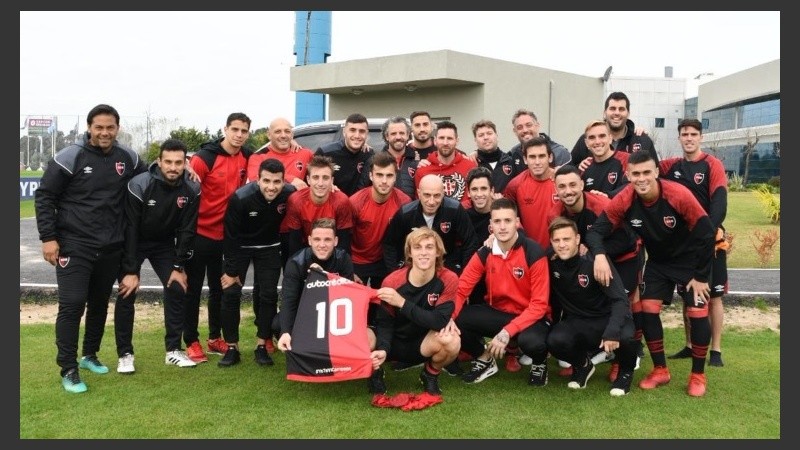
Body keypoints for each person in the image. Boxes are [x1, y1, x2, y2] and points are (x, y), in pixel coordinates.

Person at [35, 103, 147, 393]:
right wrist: (48, 238)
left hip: (111, 247)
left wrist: (187, 172)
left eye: (110, 127)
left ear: (117, 128)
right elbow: (45, 196)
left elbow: (152, 178)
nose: (105, 132)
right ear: (89, 128)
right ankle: (68, 368)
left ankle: (89, 356)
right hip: (75, 246)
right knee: (72, 306)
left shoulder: (129, 158)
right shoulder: (70, 156)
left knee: (98, 305)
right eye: (99, 127)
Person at [585, 150, 715, 397]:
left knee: (697, 312)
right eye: (636, 174)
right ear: (628, 175)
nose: (641, 178)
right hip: (659, 262)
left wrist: (700, 276)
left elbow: (708, 233)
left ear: (656, 172)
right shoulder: (625, 198)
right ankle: (660, 370)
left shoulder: (678, 195)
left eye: (647, 172)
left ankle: (698, 374)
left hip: (692, 261)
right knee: (647, 310)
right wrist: (599, 254)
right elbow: (595, 232)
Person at [549, 164, 644, 380]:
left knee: (623, 298)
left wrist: (597, 252)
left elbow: (625, 237)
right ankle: (591, 351)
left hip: (624, 255)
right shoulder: (554, 213)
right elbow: (556, 242)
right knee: (589, 296)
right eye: (562, 186)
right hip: (592, 256)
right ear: (556, 190)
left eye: (573, 185)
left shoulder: (601, 204)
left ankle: (629, 352)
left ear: (582, 185)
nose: (568, 191)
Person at [114, 138, 201, 374]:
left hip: (164, 244)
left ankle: (173, 350)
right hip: (135, 241)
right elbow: (130, 227)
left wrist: (178, 265)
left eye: (178, 162)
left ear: (186, 163)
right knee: (127, 290)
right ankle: (125, 354)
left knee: (176, 286)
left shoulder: (192, 187)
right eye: (168, 162)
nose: (173, 167)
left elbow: (187, 230)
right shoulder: (139, 184)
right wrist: (131, 270)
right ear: (159, 162)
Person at [454, 198, 552, 386]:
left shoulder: (533, 251)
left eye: (507, 221)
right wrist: (448, 319)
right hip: (499, 314)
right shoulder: (484, 252)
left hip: (531, 317)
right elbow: (461, 290)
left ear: (517, 223)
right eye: (497, 221)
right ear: (491, 226)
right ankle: (484, 359)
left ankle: (539, 363)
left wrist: (507, 332)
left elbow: (539, 305)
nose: (503, 226)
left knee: (532, 342)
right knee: (457, 320)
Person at [184, 112, 253, 363]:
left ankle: (215, 338)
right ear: (225, 129)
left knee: (219, 290)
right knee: (192, 291)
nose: (239, 135)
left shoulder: (248, 156)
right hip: (200, 234)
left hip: (227, 237)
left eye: (244, 131)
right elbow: (186, 186)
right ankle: (191, 341)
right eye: (235, 129)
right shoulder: (205, 158)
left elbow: (274, 165)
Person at [661, 119, 729, 367]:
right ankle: (690, 345)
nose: (689, 138)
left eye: (693, 134)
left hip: (711, 242)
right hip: (683, 246)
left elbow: (719, 205)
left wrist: (707, 234)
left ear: (701, 137)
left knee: (714, 296)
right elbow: (638, 166)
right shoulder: (671, 166)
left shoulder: (713, 165)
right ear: (679, 138)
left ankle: (716, 351)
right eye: (684, 134)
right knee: (687, 294)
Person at [546, 217, 638, 396]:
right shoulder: (550, 261)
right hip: (579, 321)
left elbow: (620, 300)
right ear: (551, 242)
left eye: (567, 239)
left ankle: (626, 372)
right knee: (554, 340)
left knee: (626, 336)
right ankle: (583, 366)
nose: (562, 245)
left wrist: (612, 331)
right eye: (557, 240)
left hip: (607, 318)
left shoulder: (595, 261)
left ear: (578, 239)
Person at [218, 159, 296, 367]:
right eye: (267, 181)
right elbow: (230, 236)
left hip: (269, 247)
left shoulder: (289, 194)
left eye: (277, 182)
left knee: (268, 295)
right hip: (240, 247)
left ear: (283, 181)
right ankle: (232, 348)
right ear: (257, 179)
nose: (272, 187)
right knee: (231, 292)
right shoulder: (240, 197)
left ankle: (262, 345)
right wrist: (232, 270)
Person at [367, 227, 461, 396]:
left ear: (438, 252)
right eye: (417, 247)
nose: (423, 253)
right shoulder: (392, 281)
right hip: (393, 342)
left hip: (422, 343)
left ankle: (430, 374)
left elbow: (439, 321)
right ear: (409, 253)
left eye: (429, 247)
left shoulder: (448, 278)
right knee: (363, 337)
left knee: (452, 340)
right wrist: (383, 349)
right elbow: (384, 322)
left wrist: (402, 302)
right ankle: (375, 372)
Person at [275, 218, 356, 352]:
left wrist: (322, 277)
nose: (322, 244)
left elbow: (349, 297)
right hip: (303, 311)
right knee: (278, 323)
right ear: (309, 240)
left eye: (327, 240)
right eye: (317, 239)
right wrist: (285, 331)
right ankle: (289, 340)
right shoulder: (296, 262)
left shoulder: (343, 259)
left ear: (335, 241)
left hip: (332, 310)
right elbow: (289, 299)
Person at [383, 174, 480, 276]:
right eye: (427, 195)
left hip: (447, 263)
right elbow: (389, 244)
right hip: (414, 265)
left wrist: (464, 274)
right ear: (419, 193)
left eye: (437, 195)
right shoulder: (406, 213)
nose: (432, 201)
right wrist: (394, 273)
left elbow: (470, 242)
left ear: (443, 194)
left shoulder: (455, 210)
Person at [349, 151, 412, 289]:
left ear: (395, 177)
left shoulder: (404, 202)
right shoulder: (355, 202)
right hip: (358, 261)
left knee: (384, 306)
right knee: (359, 306)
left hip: (385, 261)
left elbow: (407, 239)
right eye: (379, 175)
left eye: (389, 175)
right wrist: (349, 269)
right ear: (371, 176)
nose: (384, 181)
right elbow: (343, 238)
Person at [279, 155, 354, 259]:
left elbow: (343, 244)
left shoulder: (341, 201)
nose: (320, 183)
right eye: (315, 177)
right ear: (308, 180)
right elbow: (295, 244)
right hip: (306, 249)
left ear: (332, 180)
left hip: (332, 250)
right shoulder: (296, 201)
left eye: (325, 178)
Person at [571, 92, 658, 171]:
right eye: (612, 108)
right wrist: (579, 167)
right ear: (605, 112)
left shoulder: (642, 140)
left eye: (621, 109)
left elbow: (656, 172)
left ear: (628, 113)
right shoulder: (589, 139)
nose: (617, 113)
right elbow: (569, 169)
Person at [503, 136, 560, 249]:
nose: (537, 162)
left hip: (560, 250)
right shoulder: (515, 185)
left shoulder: (563, 181)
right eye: (532, 157)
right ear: (525, 159)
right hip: (530, 253)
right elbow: (508, 218)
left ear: (550, 157)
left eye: (541, 156)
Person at [413, 120, 477, 203]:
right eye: (441, 138)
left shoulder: (470, 167)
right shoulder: (423, 170)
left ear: (457, 141)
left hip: (464, 215)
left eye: (449, 138)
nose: (445, 143)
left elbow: (475, 199)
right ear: (435, 141)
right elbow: (421, 203)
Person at [315, 112, 375, 196]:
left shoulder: (369, 155)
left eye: (361, 131)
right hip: (331, 205)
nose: (357, 135)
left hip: (357, 206)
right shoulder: (325, 152)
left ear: (366, 134)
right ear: (344, 132)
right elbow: (311, 180)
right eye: (352, 130)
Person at [359, 116, 420, 199]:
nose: (398, 137)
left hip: (409, 210)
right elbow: (361, 192)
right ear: (387, 136)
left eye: (402, 133)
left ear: (408, 135)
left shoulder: (417, 162)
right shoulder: (374, 161)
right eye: (393, 134)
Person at [246, 117, 314, 190]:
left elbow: (322, 173)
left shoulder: (306, 154)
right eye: (278, 132)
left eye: (287, 131)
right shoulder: (258, 157)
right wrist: (291, 179)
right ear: (269, 135)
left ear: (292, 134)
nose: (283, 135)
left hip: (296, 200)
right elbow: (256, 180)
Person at [508, 108, 571, 175]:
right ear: (515, 131)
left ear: (537, 125)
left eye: (528, 125)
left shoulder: (560, 152)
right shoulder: (513, 153)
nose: (525, 130)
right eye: (520, 127)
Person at [579, 120, 630, 198]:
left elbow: (632, 186)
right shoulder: (584, 167)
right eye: (592, 137)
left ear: (610, 138)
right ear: (586, 143)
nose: (597, 141)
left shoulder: (627, 160)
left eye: (602, 136)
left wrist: (608, 196)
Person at [468, 119, 517, 194]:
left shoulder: (511, 161)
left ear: (497, 136)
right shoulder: (472, 164)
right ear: (475, 140)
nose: (486, 137)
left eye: (489, 133)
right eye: (481, 135)